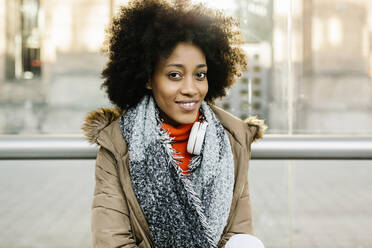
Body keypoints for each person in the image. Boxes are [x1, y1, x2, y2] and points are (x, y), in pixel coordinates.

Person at [82, 0, 266, 247]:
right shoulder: (119, 144)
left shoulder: (231, 139)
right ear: (148, 78)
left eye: (200, 75)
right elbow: (112, 241)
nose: (191, 89)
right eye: (174, 75)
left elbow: (237, 232)